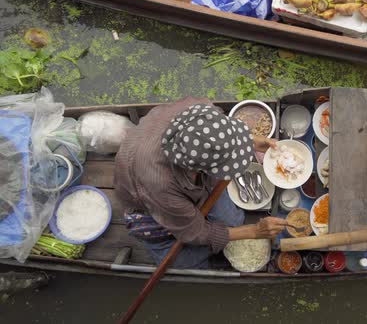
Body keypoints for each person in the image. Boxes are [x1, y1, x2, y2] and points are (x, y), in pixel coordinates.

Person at [114, 97, 287, 269]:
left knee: (233, 220)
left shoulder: (200, 109)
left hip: (184, 180)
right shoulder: (162, 187)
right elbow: (194, 232)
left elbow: (218, 133)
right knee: (180, 264)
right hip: (148, 203)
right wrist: (254, 231)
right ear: (197, 169)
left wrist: (254, 142)